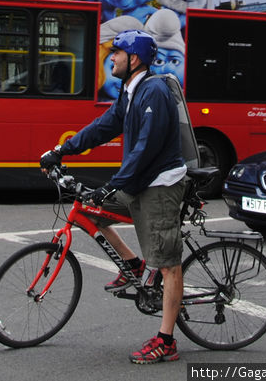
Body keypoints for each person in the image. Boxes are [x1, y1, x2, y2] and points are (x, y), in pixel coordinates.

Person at [39, 29, 187, 364]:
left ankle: (166, 340)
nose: (112, 58)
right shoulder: (129, 91)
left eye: (117, 53)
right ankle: (133, 264)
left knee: (167, 264)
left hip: (159, 185)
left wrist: (114, 184)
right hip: (138, 180)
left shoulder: (154, 92)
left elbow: (146, 148)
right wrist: (61, 150)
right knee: (90, 209)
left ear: (133, 59)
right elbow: (103, 127)